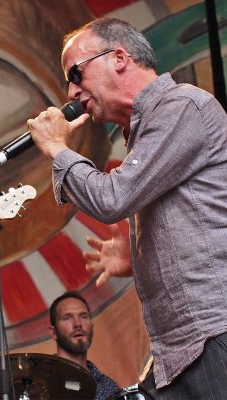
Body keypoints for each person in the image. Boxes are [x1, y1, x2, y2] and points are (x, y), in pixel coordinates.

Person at [28, 16, 227, 399]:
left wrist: (56, 148)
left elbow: (112, 199)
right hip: (182, 348)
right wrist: (139, 259)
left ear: (119, 57)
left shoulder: (181, 106)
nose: (70, 92)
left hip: (213, 334)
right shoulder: (146, 131)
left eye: (76, 73)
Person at [49, 292, 120, 400]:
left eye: (83, 316)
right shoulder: (40, 381)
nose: (77, 323)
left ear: (92, 326)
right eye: (67, 317)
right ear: (53, 333)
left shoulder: (108, 386)